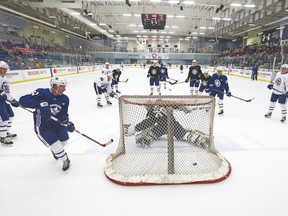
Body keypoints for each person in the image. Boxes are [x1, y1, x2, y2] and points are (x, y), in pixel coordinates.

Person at [19, 76, 74, 171]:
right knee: (56, 146)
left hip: (57, 124)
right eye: (62, 86)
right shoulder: (42, 93)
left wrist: (66, 122)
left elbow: (63, 114)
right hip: (44, 126)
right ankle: (65, 160)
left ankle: (56, 151)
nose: (65, 89)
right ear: (55, 86)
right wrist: (40, 104)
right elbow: (22, 100)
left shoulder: (65, 99)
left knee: (64, 141)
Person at [123, 99, 208, 148]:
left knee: (150, 133)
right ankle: (200, 139)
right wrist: (184, 107)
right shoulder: (163, 103)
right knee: (184, 135)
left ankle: (145, 139)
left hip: (162, 127)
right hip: (172, 125)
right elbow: (176, 105)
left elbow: (148, 122)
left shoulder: (151, 111)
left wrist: (135, 128)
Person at [0, 61, 19, 146]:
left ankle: (6, 133)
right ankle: (2, 137)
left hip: (4, 100)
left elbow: (7, 93)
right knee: (4, 119)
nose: (5, 71)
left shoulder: (5, 80)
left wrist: (13, 100)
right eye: (3, 69)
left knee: (11, 115)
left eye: (5, 69)